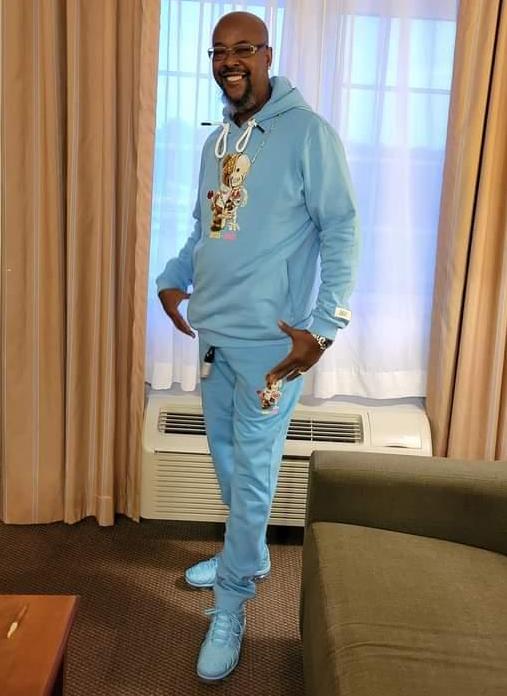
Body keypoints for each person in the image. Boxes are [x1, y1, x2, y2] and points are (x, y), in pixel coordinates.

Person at [156, 11, 360, 682]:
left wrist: (323, 328)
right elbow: (204, 230)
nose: (230, 62)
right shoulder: (216, 142)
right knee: (226, 461)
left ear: (268, 55)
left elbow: (341, 230)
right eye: (219, 52)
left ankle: (231, 602)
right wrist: (172, 278)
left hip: (273, 349)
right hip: (214, 337)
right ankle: (248, 553)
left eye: (243, 49)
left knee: (251, 475)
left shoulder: (308, 135)